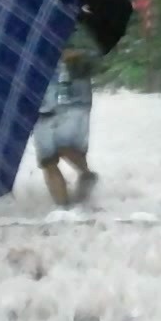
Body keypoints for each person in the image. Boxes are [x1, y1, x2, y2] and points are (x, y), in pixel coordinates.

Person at [32, 41, 100, 208]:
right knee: (47, 158)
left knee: (64, 144)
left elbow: (96, 52)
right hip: (42, 90)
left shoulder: (81, 24)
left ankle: (85, 175)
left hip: (72, 90)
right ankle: (64, 210)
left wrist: (74, 53)